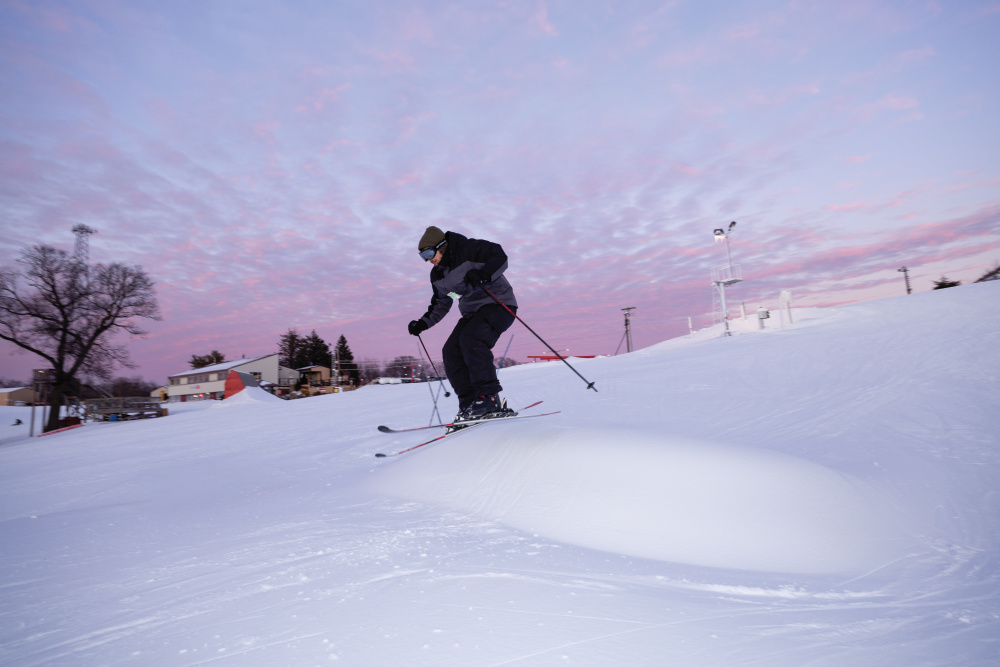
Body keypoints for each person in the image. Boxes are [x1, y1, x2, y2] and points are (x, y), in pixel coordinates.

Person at [408, 226, 517, 421]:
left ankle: (488, 398)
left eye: (429, 253)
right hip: (472, 313)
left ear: (441, 246)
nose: (427, 259)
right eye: (422, 256)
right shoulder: (438, 275)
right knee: (451, 351)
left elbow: (499, 255)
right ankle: (470, 404)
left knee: (471, 339)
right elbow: (441, 303)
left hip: (498, 304)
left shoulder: (467, 249)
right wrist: (422, 324)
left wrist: (484, 274)